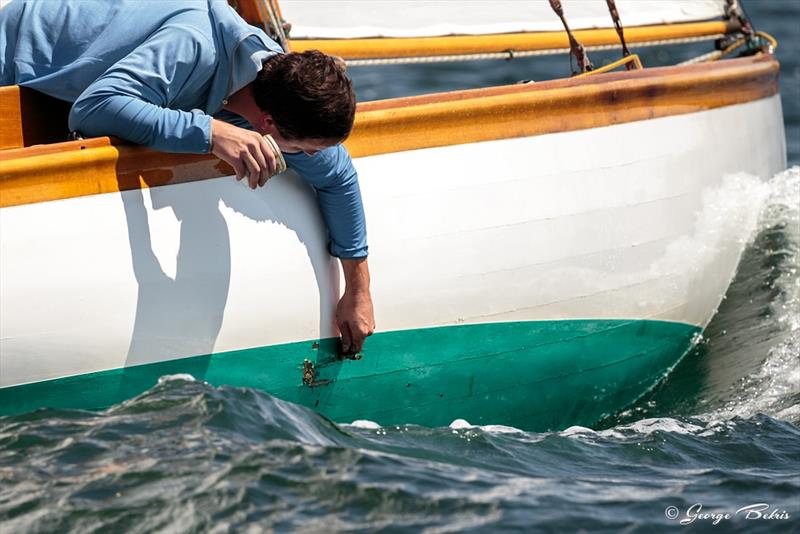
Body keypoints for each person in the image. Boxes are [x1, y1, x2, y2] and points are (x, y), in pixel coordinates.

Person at [0, 0, 375, 354]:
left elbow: (337, 177)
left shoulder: (273, 79)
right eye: (305, 150)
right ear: (268, 124)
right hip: (19, 50)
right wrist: (211, 133)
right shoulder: (193, 45)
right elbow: (93, 108)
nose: (310, 158)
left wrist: (358, 289)